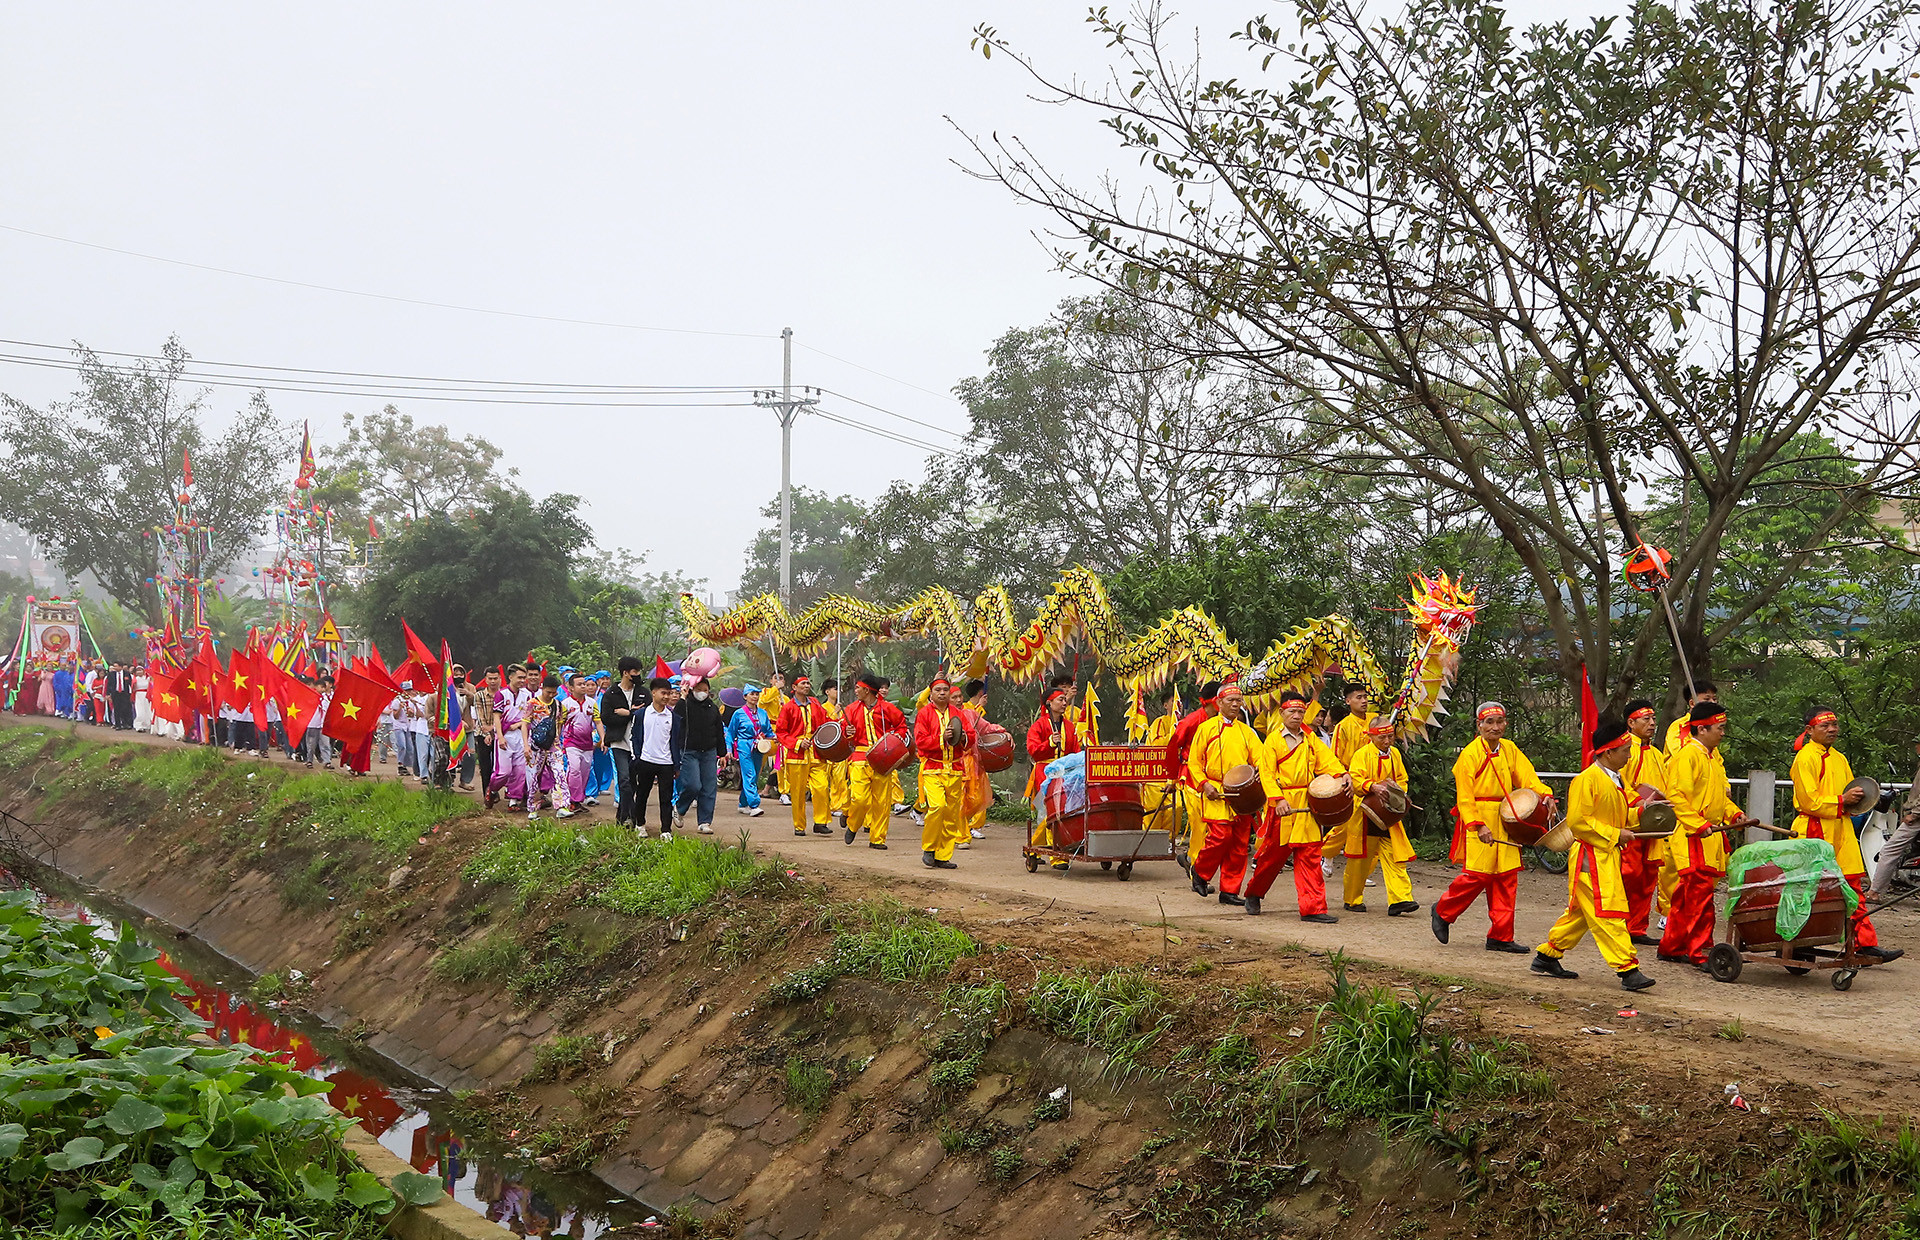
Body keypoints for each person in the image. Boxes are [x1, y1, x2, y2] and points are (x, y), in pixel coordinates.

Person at [1529, 715, 1659, 992]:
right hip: (1591, 858)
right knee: (1608, 911)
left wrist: (1642, 811)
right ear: (1609, 752)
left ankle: (1547, 955)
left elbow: (1619, 816)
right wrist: (1616, 834)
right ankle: (1628, 969)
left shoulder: (1614, 779)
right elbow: (1578, 822)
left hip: (1604, 855)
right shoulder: (1586, 780)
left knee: (1581, 914)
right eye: (1625, 750)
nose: (1629, 755)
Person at [1432, 702, 1550, 953]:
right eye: (1490, 722)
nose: (1495, 727)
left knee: (1506, 877)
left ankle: (1501, 935)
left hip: (1507, 816)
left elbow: (1528, 777)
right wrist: (1477, 825)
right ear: (1479, 725)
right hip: (1480, 817)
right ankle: (1443, 911)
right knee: (1477, 874)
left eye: (1500, 721)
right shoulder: (1470, 754)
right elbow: (1464, 797)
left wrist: (1544, 794)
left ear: (1505, 723)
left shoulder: (1510, 749)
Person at [1789, 707, 1900, 961]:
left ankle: (1864, 943)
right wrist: (1843, 800)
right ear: (1809, 730)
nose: (1831, 730)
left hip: (1841, 827)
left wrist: (1866, 800)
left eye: (1834, 725)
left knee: (1851, 886)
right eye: (1824, 726)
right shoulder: (1805, 758)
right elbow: (1809, 801)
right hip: (1815, 829)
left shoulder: (1839, 758)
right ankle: (1798, 941)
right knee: (1811, 889)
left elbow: (1853, 795)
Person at [1243, 689, 1343, 921]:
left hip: (1306, 804)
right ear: (1282, 712)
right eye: (1293, 711)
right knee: (1272, 858)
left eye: (1301, 712)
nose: (1297, 716)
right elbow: (1267, 774)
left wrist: (1341, 774)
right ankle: (1254, 892)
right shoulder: (1272, 741)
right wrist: (1277, 799)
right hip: (1283, 805)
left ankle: (1313, 908)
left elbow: (1327, 761)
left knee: (1310, 855)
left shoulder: (1310, 739)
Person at [1658, 700, 1744, 966]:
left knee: (1688, 897)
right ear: (1702, 729)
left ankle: (1672, 946)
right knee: (1699, 897)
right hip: (1693, 835)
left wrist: (1735, 814)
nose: (1723, 732)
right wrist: (1699, 824)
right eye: (1719, 727)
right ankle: (1700, 951)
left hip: (1708, 835)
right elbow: (1676, 796)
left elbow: (1719, 798)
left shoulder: (1711, 759)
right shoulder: (1688, 756)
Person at [1185, 678, 1266, 906]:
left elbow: (1259, 758)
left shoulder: (1247, 732)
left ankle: (1229, 891)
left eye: (1238, 700)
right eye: (1230, 700)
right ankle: (1200, 872)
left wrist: (1260, 771)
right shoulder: (1206, 728)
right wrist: (1203, 784)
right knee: (1221, 836)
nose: (1235, 704)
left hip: (1242, 793)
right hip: (1215, 789)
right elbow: (1194, 762)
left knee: (1240, 843)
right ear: (1218, 702)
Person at [1341, 715, 1419, 916]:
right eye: (1382, 738)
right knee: (1360, 860)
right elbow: (1356, 779)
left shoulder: (1394, 754)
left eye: (1390, 737)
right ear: (1371, 737)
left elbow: (1402, 778)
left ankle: (1400, 899)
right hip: (1365, 813)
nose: (1386, 741)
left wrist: (1396, 792)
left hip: (1388, 816)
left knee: (1395, 857)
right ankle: (1352, 899)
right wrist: (1372, 786)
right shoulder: (1361, 754)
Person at [914, 674, 976, 868]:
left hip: (956, 769)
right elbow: (921, 741)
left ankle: (943, 855)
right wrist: (942, 738)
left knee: (951, 814)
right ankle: (929, 847)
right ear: (931, 694)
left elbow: (971, 738)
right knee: (937, 807)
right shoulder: (924, 713)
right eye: (937, 690)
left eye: (945, 690)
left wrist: (963, 736)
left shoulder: (959, 714)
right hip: (933, 768)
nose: (942, 693)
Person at [1620, 699, 1668, 946]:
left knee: (1648, 877)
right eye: (1645, 719)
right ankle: (1619, 925)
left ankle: (1637, 928)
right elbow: (1620, 785)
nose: (1651, 724)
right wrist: (1638, 803)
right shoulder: (1625, 751)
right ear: (1631, 722)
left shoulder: (1657, 754)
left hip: (1654, 826)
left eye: (1652, 719)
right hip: (1632, 825)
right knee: (1629, 875)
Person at [842, 672, 905, 848]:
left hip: (883, 758)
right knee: (859, 799)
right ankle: (853, 825)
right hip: (860, 757)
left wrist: (892, 741)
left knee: (882, 801)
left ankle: (877, 838)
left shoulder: (887, 709)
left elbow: (901, 727)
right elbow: (842, 732)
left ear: (867, 690)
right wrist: (848, 734)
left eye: (858, 688)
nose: (855, 691)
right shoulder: (851, 709)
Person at [1026, 686, 1086, 868]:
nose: (1064, 702)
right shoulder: (1039, 725)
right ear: (1049, 703)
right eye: (1060, 699)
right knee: (1053, 812)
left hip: (1066, 774)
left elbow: (1075, 752)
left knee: (1061, 812)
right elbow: (1033, 751)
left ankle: (1033, 847)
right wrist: (1050, 743)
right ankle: (1058, 856)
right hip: (1045, 772)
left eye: (1064, 699)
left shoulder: (1069, 726)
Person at [775, 674, 834, 838]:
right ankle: (799, 825)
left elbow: (826, 723)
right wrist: (797, 743)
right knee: (798, 793)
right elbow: (781, 732)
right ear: (794, 688)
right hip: (796, 756)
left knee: (822, 787)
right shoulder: (788, 707)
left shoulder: (815, 704)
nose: (807, 686)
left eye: (808, 683)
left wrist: (838, 720)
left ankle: (821, 822)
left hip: (815, 753)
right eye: (803, 683)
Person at [631, 676, 682, 837]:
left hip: (666, 762)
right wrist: (637, 757)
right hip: (646, 760)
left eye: (669, 693)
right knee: (642, 795)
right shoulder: (641, 714)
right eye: (663, 693)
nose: (666, 697)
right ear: (653, 693)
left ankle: (666, 830)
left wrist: (676, 765)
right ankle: (640, 824)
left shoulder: (673, 718)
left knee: (666, 798)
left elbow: (676, 742)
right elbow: (635, 737)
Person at [674, 676, 725, 834]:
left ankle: (704, 821)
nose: (702, 693)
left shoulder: (712, 708)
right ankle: (680, 807)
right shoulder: (686, 705)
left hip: (709, 751)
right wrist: (683, 697)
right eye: (698, 689)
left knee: (709, 787)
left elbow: (719, 731)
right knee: (693, 785)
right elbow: (677, 717)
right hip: (689, 751)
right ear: (692, 690)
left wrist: (722, 753)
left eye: (705, 690)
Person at [601, 659, 644, 824]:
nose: (638, 675)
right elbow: (607, 718)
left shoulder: (642, 692)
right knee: (624, 779)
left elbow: (645, 714)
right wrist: (631, 714)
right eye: (635, 671)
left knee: (633, 781)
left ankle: (621, 816)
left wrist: (627, 713)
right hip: (619, 742)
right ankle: (634, 815)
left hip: (638, 743)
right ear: (625, 673)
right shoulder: (611, 694)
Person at [557, 673, 601, 817]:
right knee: (574, 770)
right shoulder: (565, 704)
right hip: (571, 743)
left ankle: (578, 800)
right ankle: (571, 800)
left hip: (588, 744)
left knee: (584, 772)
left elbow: (598, 721)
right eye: (580, 684)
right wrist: (557, 740)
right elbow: (560, 723)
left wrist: (603, 739)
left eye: (585, 684)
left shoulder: (592, 703)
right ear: (570, 687)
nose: (584, 687)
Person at [521, 674, 564, 818]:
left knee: (559, 774)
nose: (551, 695)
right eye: (548, 692)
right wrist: (526, 745)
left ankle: (561, 806)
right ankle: (532, 808)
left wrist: (559, 743)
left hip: (554, 746)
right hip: (535, 746)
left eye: (554, 692)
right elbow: (525, 724)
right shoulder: (532, 703)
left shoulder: (557, 704)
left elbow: (559, 724)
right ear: (542, 688)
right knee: (532, 777)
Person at [726, 684, 772, 817]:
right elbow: (730, 733)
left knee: (755, 774)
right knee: (749, 774)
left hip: (759, 747)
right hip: (744, 746)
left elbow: (768, 731)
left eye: (757, 694)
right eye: (752, 694)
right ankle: (754, 804)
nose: (755, 697)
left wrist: (773, 738)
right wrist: (729, 749)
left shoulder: (763, 713)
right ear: (745, 696)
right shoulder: (738, 714)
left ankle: (742, 803)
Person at [491, 665, 532, 810]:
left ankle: (514, 799)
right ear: (511, 677)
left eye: (524, 677)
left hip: (521, 735)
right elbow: (496, 717)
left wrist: (521, 725)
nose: (523, 680)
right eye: (520, 677)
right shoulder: (501, 694)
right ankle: (493, 789)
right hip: (506, 735)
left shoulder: (526, 695)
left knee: (520, 770)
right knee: (504, 771)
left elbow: (529, 716)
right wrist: (500, 737)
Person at [958, 678, 992, 845]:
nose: (958, 700)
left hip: (975, 759)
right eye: (955, 697)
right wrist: (981, 707)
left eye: (959, 697)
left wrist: (1003, 732)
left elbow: (983, 726)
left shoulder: (970, 712)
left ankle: (970, 824)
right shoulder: (967, 710)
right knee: (960, 798)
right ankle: (964, 830)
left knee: (977, 797)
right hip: (959, 761)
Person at [820, 679, 854, 834]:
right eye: (834, 689)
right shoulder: (824, 708)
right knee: (826, 778)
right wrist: (835, 713)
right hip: (827, 748)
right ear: (827, 691)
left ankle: (837, 804)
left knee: (840, 777)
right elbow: (824, 725)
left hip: (840, 747)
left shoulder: (843, 709)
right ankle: (829, 805)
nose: (837, 691)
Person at [759, 674, 792, 806]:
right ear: (771, 680)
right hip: (765, 733)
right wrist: (775, 689)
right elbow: (762, 703)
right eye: (776, 677)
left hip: (781, 734)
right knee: (757, 764)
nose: (779, 680)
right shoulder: (766, 692)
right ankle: (749, 791)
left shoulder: (786, 698)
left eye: (782, 678)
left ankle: (784, 792)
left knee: (782, 763)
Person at [469, 668, 499, 801]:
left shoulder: (503, 694)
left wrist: (494, 731)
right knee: (485, 765)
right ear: (485, 679)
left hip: (500, 733)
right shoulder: (479, 696)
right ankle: (487, 793)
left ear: (500, 679)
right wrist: (488, 732)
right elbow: (480, 718)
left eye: (495, 678)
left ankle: (498, 790)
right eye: (490, 678)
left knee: (499, 765)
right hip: (482, 734)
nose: (493, 681)